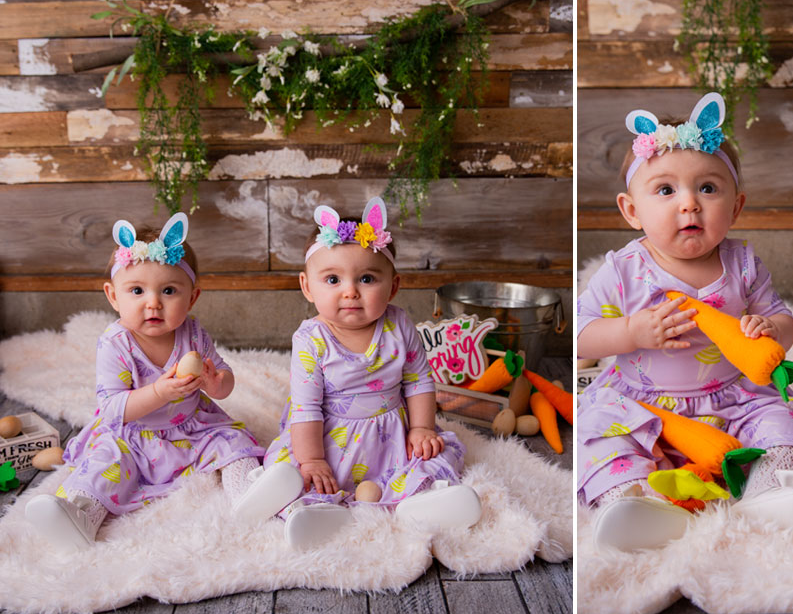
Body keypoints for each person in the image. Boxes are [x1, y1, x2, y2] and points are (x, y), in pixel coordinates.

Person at [577, 93, 793, 552]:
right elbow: (581, 335)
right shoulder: (622, 271)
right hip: (644, 403)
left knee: (787, 420)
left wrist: (770, 329)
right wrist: (631, 331)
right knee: (600, 441)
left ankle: (771, 492)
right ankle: (635, 502)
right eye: (665, 190)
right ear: (631, 210)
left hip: (735, 396)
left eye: (708, 189)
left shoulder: (743, 265)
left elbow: (784, 319)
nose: (689, 204)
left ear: (735, 208)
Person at [26, 213, 279, 550]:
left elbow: (224, 379)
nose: (153, 303)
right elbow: (114, 408)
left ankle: (248, 494)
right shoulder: (116, 343)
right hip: (131, 435)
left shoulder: (192, 333)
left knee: (233, 442)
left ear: (191, 298)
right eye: (137, 290)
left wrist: (214, 382)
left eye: (169, 290)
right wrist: (160, 391)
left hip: (191, 427)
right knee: (105, 466)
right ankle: (80, 514)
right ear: (113, 296)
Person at [261, 197, 481, 549]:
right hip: (329, 436)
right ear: (307, 287)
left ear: (392, 286)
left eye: (366, 278)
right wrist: (313, 459)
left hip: (391, 434)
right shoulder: (311, 340)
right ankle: (317, 514)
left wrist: (422, 428)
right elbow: (305, 408)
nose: (350, 291)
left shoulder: (399, 324)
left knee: (437, 454)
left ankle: (419, 504)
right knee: (296, 470)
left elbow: (418, 379)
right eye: (332, 279)